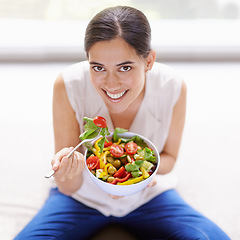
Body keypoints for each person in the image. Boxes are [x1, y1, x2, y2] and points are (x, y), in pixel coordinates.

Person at [15, 5, 230, 240]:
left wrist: (142, 178)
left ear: (149, 61)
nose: (111, 84)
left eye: (125, 67)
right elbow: (69, 187)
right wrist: (67, 170)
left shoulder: (173, 86)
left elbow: (169, 158)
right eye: (98, 67)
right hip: (81, 198)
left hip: (149, 196)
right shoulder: (68, 84)